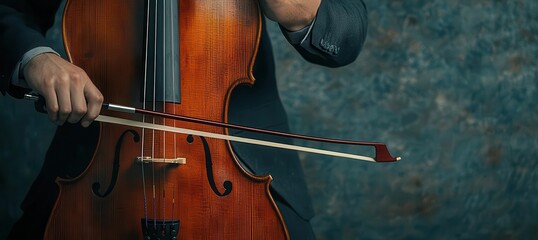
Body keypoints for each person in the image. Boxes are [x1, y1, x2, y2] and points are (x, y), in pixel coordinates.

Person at [0, 0, 367, 239]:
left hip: (241, 175)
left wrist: (302, 10)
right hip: (93, 165)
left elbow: (346, 30)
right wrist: (35, 58)